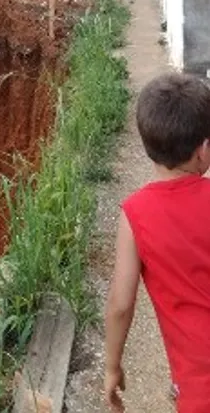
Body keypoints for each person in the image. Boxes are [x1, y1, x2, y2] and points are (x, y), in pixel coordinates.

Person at [105, 72, 210, 412]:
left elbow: (121, 304)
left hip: (199, 387)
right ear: (204, 149)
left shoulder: (135, 215)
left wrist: (112, 366)